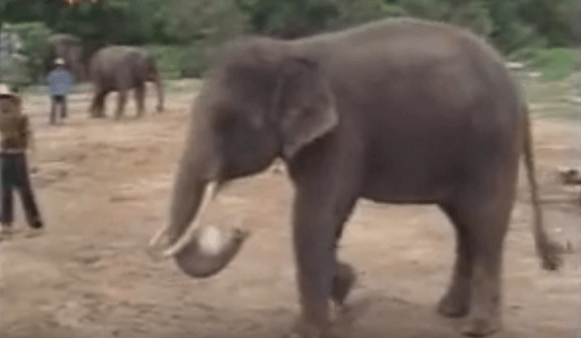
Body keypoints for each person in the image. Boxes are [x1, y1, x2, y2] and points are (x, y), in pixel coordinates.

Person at [0, 83, 44, 240]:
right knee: (21, 191)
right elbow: (30, 138)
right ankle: (33, 223)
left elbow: (29, 138)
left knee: (9, 192)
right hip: (15, 155)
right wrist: (34, 160)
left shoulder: (17, 116)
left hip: (8, 156)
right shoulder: (20, 114)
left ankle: (7, 227)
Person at [46, 58, 74, 125]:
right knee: (61, 107)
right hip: (60, 92)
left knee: (56, 107)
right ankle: (58, 120)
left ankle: (54, 120)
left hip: (56, 92)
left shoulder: (52, 73)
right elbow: (69, 82)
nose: (59, 66)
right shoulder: (65, 74)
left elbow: (48, 81)